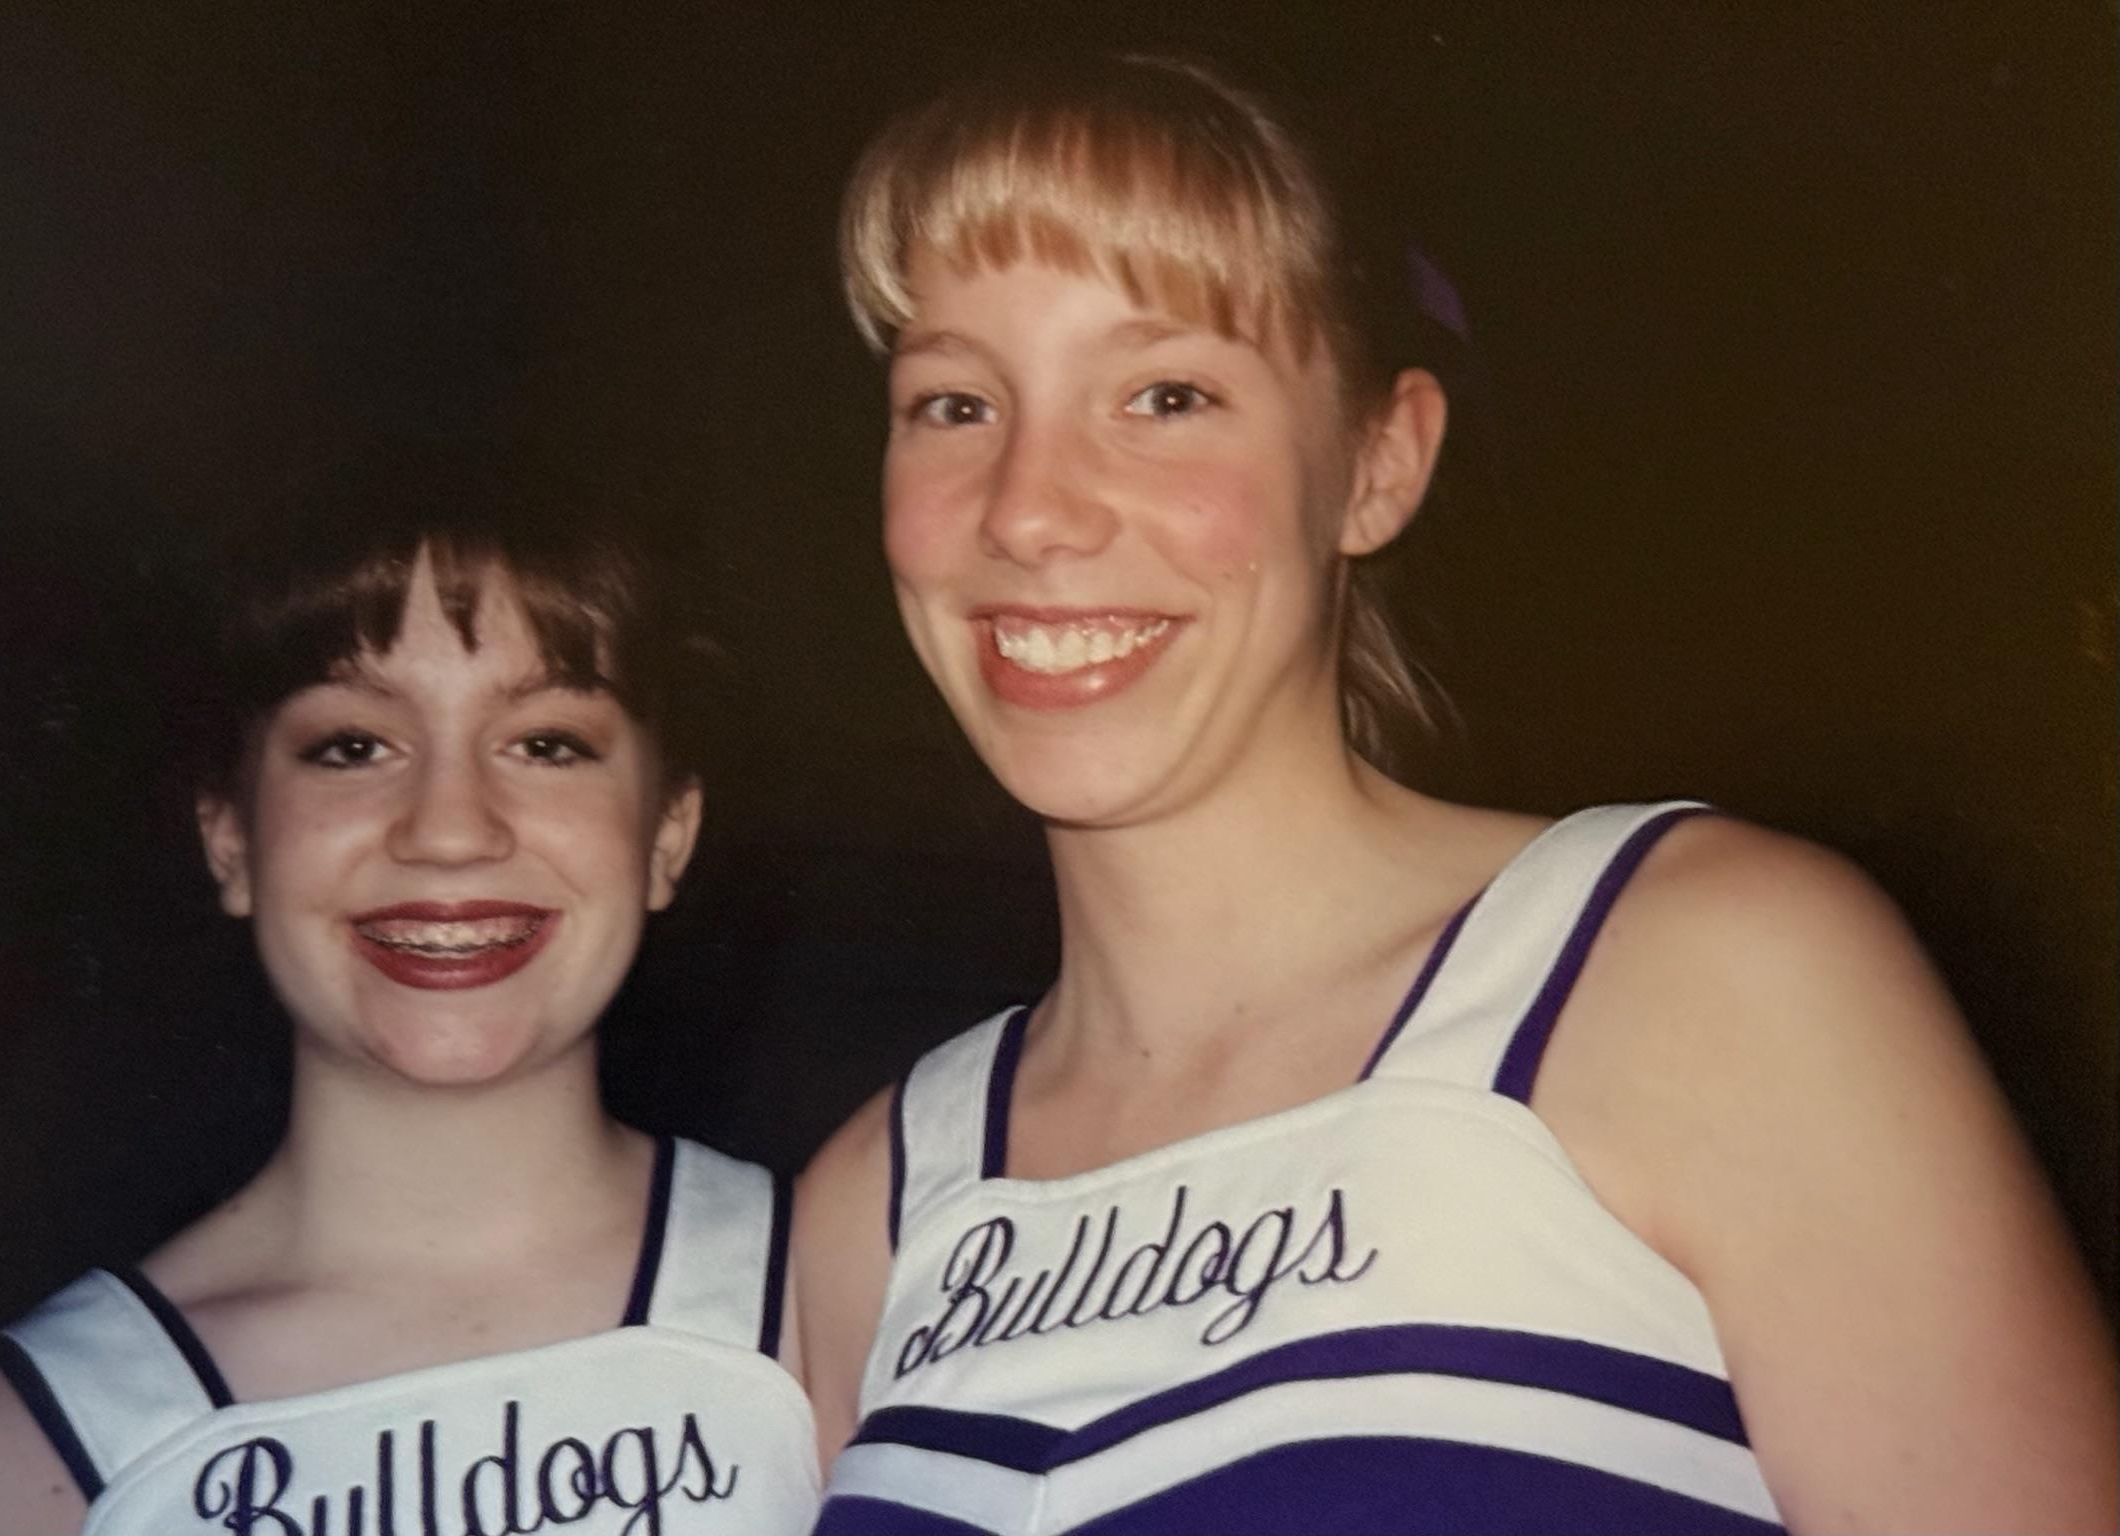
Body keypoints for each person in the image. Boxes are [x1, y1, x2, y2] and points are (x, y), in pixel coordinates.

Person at [794, 52, 2117, 1535]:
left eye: (1165, 396)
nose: (1028, 510)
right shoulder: (869, 1210)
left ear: (1377, 464)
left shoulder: (1700, 976)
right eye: (955, 403)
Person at [0, 455, 820, 1535]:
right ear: (230, 837)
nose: (449, 830)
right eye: (352, 746)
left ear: (667, 834)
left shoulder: (855, 1312)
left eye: (546, 744)